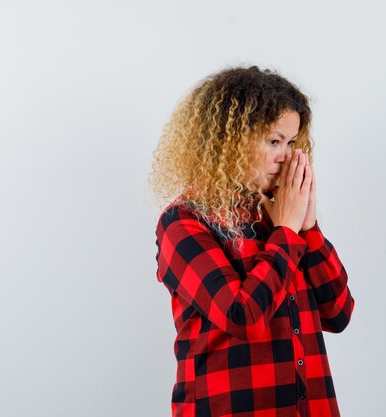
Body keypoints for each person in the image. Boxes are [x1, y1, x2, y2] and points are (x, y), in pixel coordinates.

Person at [149, 65, 356, 417]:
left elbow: (338, 313)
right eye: (273, 141)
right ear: (229, 143)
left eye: (291, 143)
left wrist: (309, 228)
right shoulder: (183, 221)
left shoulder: (279, 216)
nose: (286, 156)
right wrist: (288, 234)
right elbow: (242, 316)